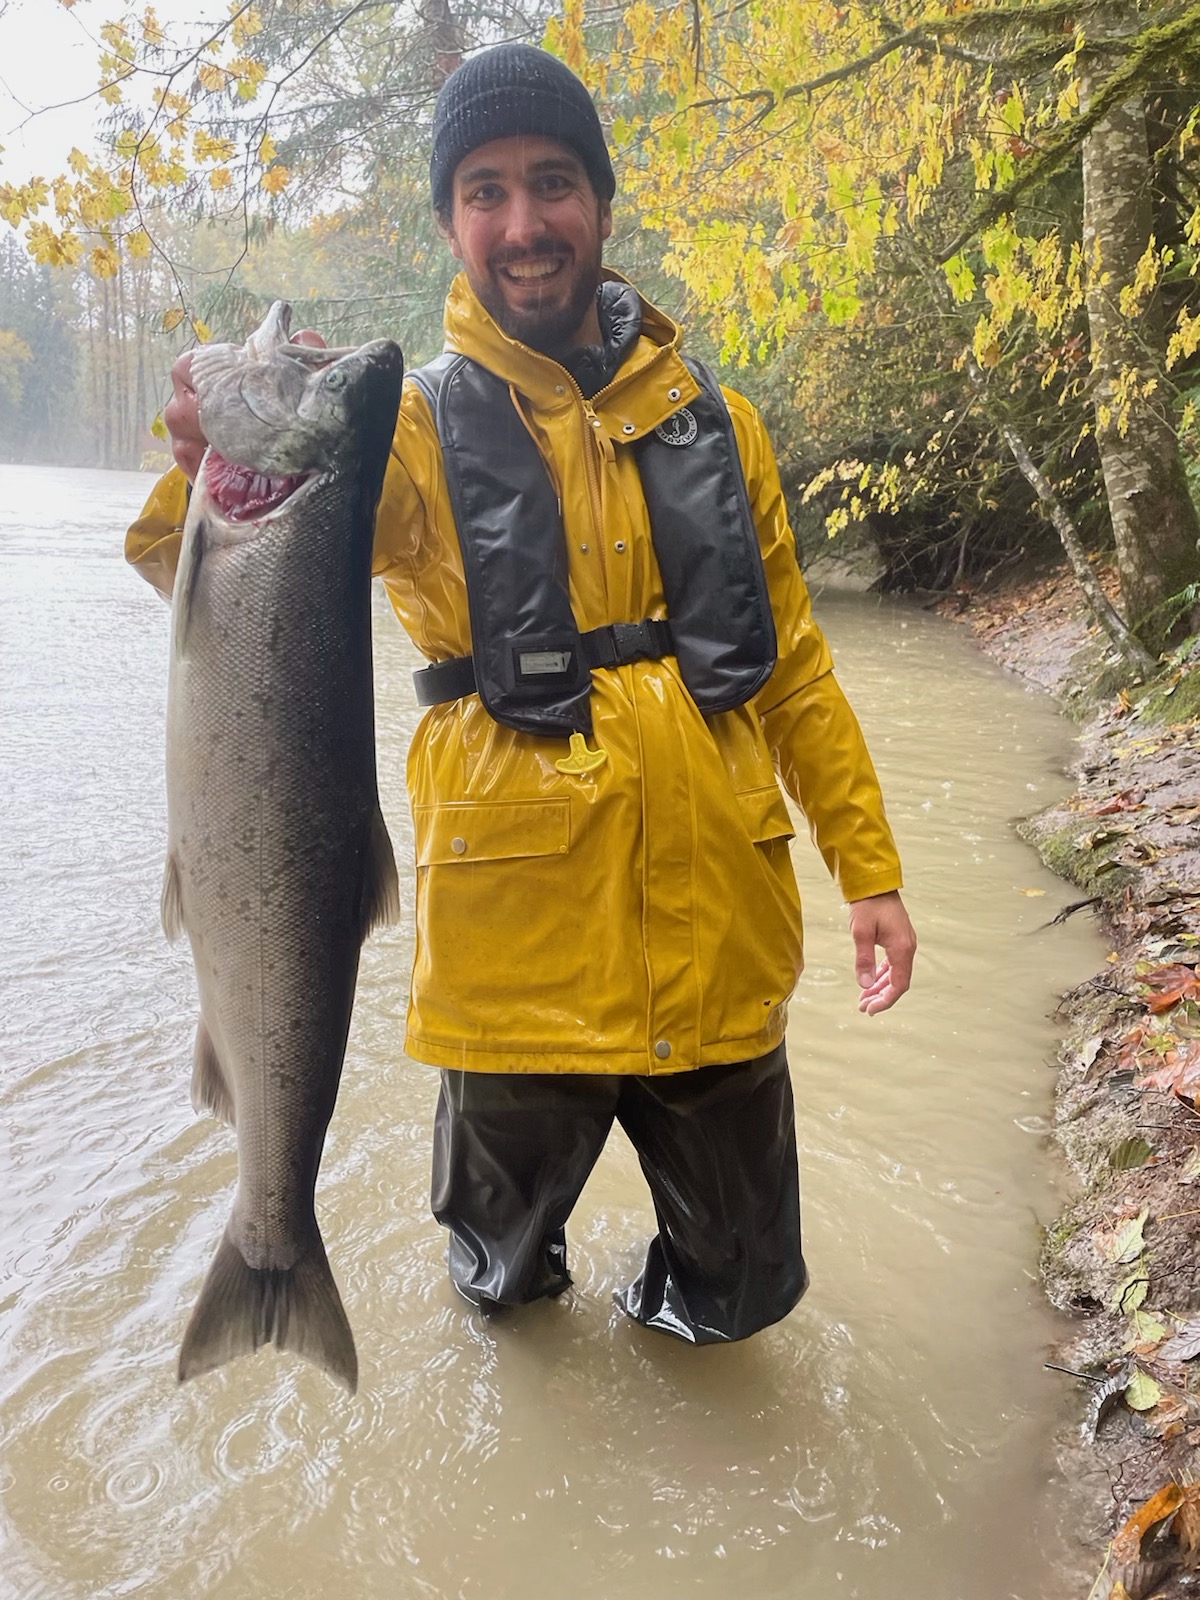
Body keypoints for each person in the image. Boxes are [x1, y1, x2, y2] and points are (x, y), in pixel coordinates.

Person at [126, 43, 916, 1345]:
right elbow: (213, 585)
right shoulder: (407, 431)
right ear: (451, 225)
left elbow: (798, 675)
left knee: (737, 1303)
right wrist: (205, 467)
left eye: (552, 181)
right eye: (485, 190)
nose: (524, 220)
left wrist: (870, 869)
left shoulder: (727, 427)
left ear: (600, 205)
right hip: (508, 979)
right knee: (507, 1310)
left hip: (721, 952)